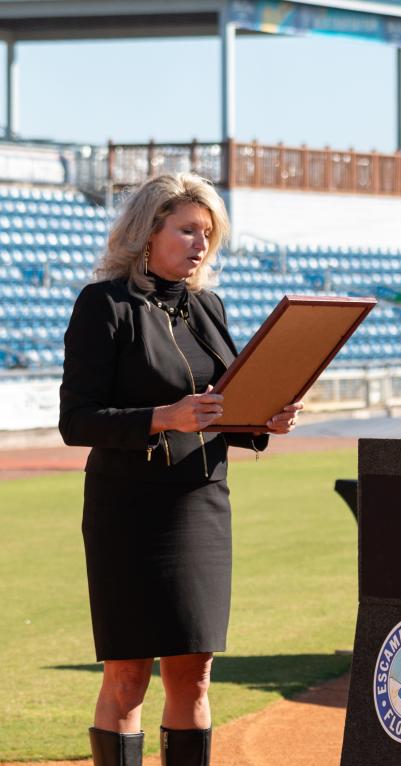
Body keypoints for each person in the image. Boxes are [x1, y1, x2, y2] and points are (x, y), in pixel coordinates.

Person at [59, 173, 302, 766]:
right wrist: (164, 417)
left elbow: (222, 407)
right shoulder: (105, 304)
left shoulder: (207, 307)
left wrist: (262, 420)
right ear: (148, 231)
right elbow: (77, 421)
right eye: (188, 229)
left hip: (201, 504)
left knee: (195, 672)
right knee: (128, 673)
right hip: (129, 509)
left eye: (209, 233)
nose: (200, 244)